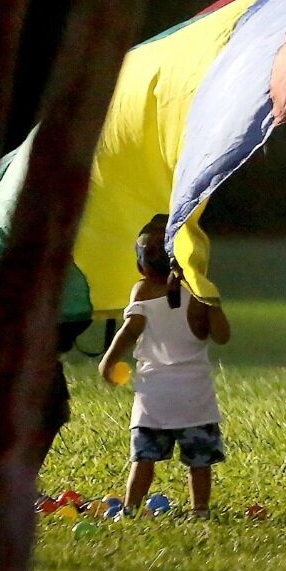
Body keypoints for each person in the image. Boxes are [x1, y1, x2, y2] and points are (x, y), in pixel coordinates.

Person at [99, 215, 231, 519]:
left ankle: (130, 509)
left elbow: (129, 331)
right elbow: (222, 337)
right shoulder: (199, 296)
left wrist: (108, 361)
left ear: (140, 264)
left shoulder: (142, 291)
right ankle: (200, 510)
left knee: (143, 459)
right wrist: (213, 300)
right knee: (199, 461)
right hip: (194, 397)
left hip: (154, 396)